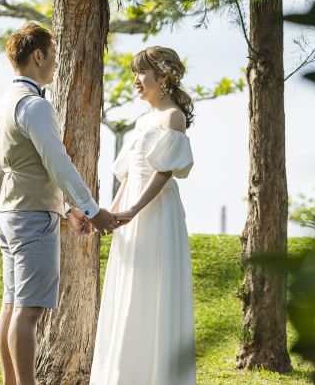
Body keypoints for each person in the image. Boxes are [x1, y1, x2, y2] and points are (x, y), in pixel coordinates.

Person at [0, 22, 123, 385]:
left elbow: (26, 164)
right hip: (32, 219)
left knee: (11, 306)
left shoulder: (7, 100)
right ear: (38, 56)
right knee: (28, 311)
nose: (56, 62)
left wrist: (67, 209)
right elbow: (58, 163)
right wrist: (93, 210)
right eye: (53, 55)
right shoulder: (34, 105)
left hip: (10, 212)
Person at [90, 46, 197, 385]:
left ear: (162, 76)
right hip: (132, 210)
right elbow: (128, 176)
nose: (136, 79)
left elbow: (163, 171)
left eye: (141, 72)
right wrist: (112, 212)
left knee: (154, 289)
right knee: (128, 290)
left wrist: (135, 209)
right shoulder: (141, 121)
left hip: (157, 212)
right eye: (134, 73)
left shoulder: (173, 117)